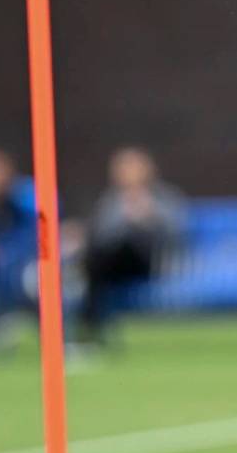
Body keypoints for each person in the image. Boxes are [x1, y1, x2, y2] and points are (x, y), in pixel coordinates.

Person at [78, 147, 185, 343]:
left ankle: (89, 328)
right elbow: (100, 235)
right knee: (95, 264)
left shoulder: (164, 198)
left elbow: (177, 232)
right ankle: (90, 329)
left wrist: (149, 217)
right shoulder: (111, 201)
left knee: (96, 264)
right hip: (112, 264)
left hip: (148, 262)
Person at [0, 149, 37, 354]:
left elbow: (35, 233)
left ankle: (60, 336)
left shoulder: (22, 201)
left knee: (39, 279)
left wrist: (5, 250)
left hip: (22, 265)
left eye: (0, 172)